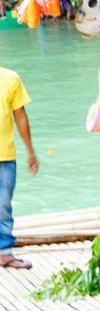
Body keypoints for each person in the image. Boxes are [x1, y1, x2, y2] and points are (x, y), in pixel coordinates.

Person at [0, 66, 38, 270]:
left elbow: (20, 116)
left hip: (5, 156)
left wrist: (30, 152)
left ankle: (5, 254)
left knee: (3, 206)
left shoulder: (10, 78)